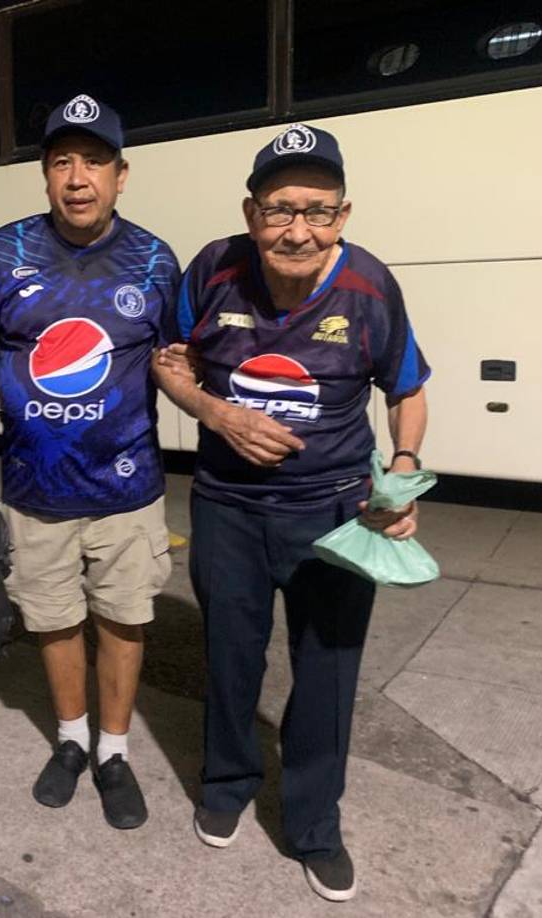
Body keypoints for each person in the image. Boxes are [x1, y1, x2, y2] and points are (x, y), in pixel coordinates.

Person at [153, 124, 430, 901]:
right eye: (280, 209)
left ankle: (314, 825)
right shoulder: (212, 270)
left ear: (342, 217)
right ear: (252, 213)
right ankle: (227, 786)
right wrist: (216, 412)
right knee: (231, 657)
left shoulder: (371, 287)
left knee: (328, 674)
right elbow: (170, 362)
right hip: (228, 509)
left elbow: (406, 390)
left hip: (336, 514)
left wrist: (401, 476)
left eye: (316, 210)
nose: (296, 230)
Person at [0, 94, 180, 830]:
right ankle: (71, 740)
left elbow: (178, 360)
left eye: (94, 161)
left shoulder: (156, 261)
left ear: (121, 174)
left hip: (128, 487)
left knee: (125, 620)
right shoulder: (3, 251)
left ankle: (114, 751)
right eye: (62, 161)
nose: (78, 177)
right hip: (35, 488)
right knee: (54, 620)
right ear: (44, 175)